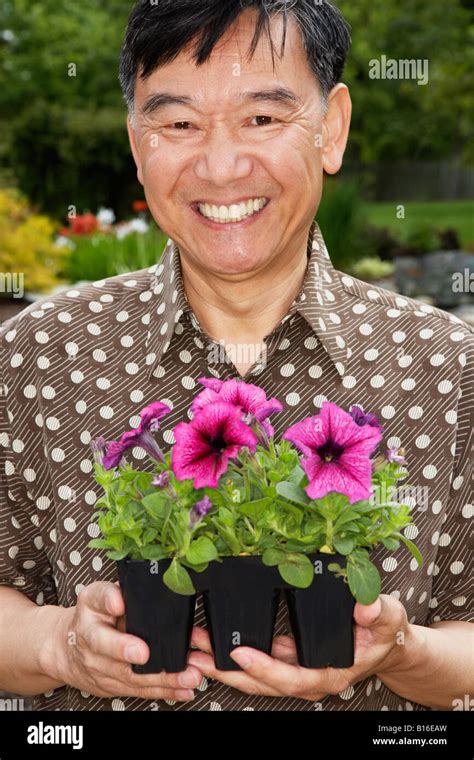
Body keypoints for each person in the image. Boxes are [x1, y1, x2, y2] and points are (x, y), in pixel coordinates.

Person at [0, 0, 472, 712]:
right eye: (179, 123)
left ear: (331, 130)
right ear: (137, 145)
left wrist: (403, 650)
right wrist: (59, 643)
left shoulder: (447, 365)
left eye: (262, 118)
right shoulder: (40, 352)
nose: (220, 167)